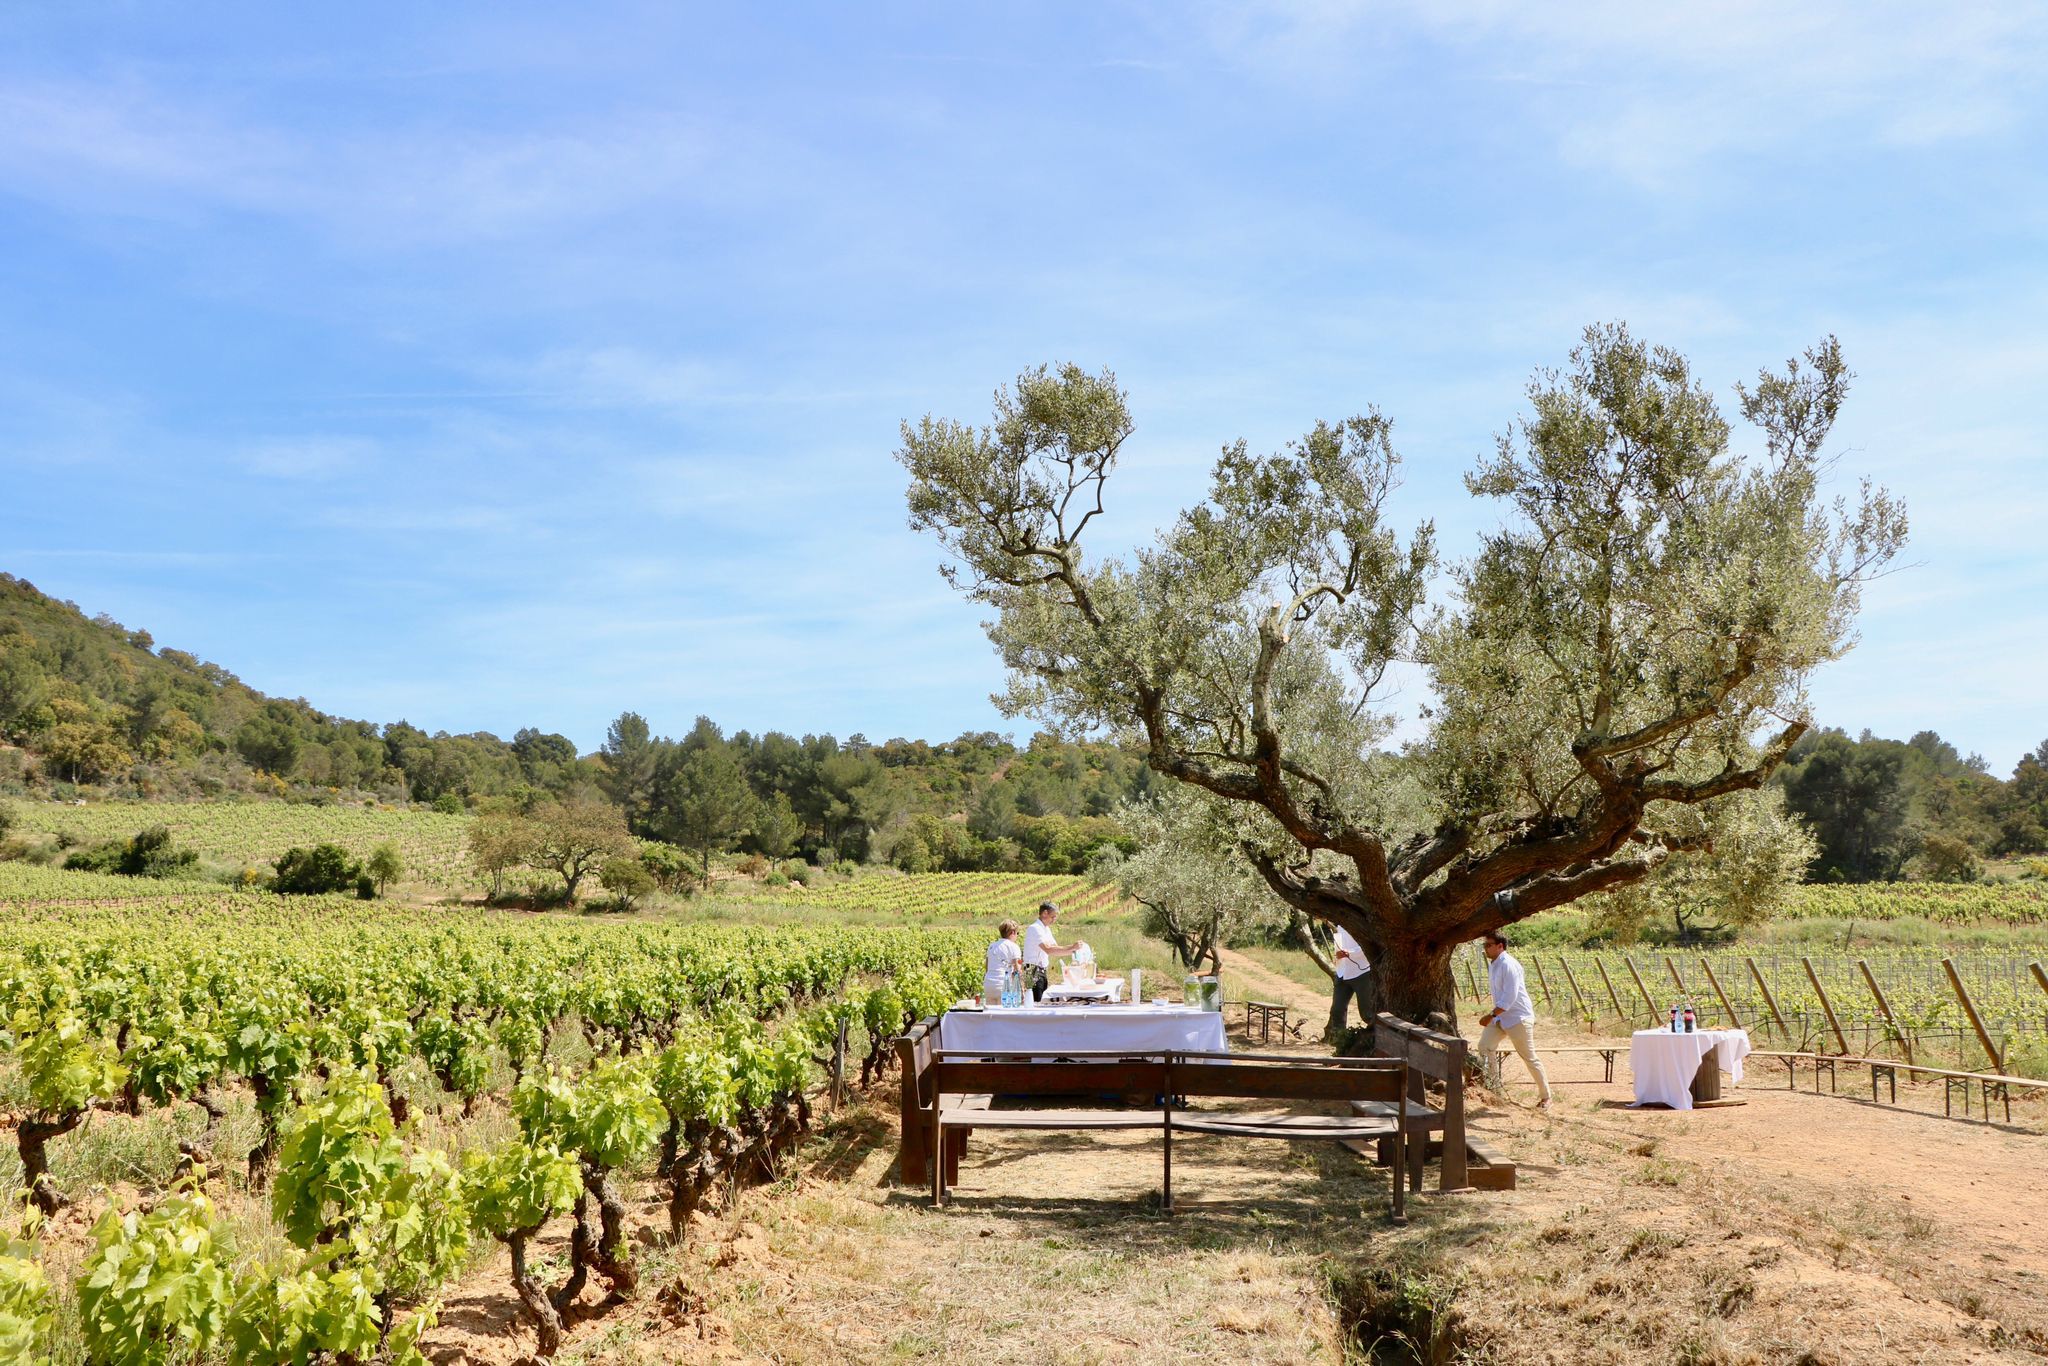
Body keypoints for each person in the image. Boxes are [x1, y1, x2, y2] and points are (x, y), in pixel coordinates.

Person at [1476, 930, 1552, 1108]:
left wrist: (1491, 1015)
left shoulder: (1509, 964)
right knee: (1485, 1047)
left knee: (1529, 1057)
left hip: (1518, 1018)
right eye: (1484, 945)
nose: (1485, 949)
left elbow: (1509, 998)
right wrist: (1494, 1016)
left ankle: (1546, 1097)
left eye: (1488, 945)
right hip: (1501, 1018)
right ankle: (1493, 1089)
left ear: (1500, 946)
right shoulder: (1495, 964)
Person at [1021, 901, 1077, 1002]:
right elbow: (1048, 949)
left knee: (1042, 1001)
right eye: (1053, 917)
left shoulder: (1046, 929)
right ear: (1045, 913)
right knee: (1036, 1003)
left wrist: (1073, 951)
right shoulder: (1035, 928)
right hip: (1032, 970)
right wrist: (1072, 947)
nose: (1054, 920)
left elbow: (1055, 948)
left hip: (1041, 970)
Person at [1328, 925, 1370, 1035]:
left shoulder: (1358, 922)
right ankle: (1340, 1041)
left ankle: (1374, 1039)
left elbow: (1369, 945)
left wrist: (1349, 953)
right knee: (1337, 1010)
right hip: (1342, 972)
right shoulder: (1339, 925)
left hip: (1361, 972)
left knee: (1367, 1013)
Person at [983, 920, 1022, 1002]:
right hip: (1003, 984)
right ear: (1013, 932)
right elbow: (1017, 970)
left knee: (991, 1014)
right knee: (1005, 1013)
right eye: (1017, 933)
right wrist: (1021, 989)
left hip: (989, 984)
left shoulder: (991, 946)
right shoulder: (1014, 947)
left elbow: (987, 968)